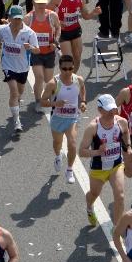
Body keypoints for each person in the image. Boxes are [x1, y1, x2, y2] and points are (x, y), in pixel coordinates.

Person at [80, 93, 132, 227]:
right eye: (108, 109)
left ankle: (117, 228)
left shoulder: (121, 122)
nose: (112, 112)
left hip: (116, 165)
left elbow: (126, 133)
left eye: (114, 109)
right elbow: (81, 151)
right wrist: (98, 152)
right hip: (98, 169)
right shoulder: (93, 127)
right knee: (94, 194)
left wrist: (128, 147)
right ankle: (89, 206)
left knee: (120, 196)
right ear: (100, 110)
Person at [39, 53, 87, 182]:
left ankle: (69, 170)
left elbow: (82, 89)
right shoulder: (53, 83)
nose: (68, 71)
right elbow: (42, 101)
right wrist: (55, 103)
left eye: (70, 68)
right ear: (59, 68)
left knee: (72, 143)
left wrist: (83, 102)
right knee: (57, 143)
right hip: (58, 118)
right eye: (65, 69)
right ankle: (58, 156)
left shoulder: (78, 80)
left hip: (72, 118)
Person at [0, 5, 36, 135]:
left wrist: (30, 47)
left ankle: (16, 107)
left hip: (23, 67)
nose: (17, 21)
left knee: (19, 93)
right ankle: (17, 121)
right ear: (10, 18)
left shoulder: (29, 32)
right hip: (8, 65)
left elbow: (37, 49)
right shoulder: (3, 29)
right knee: (13, 92)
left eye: (19, 18)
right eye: (15, 18)